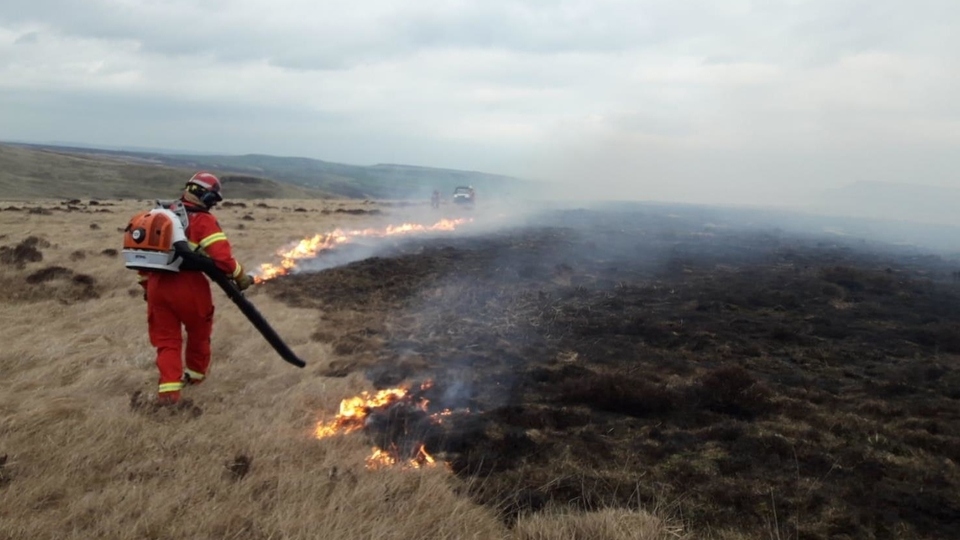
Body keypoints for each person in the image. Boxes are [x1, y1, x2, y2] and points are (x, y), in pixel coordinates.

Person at [137, 172, 254, 405]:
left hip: (157, 285)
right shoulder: (203, 220)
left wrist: (146, 286)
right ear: (206, 196)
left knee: (167, 342)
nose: (213, 205)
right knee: (199, 334)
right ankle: (196, 379)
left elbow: (144, 257)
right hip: (189, 286)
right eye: (213, 200)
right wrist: (242, 279)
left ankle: (169, 395)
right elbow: (223, 261)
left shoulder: (161, 215)